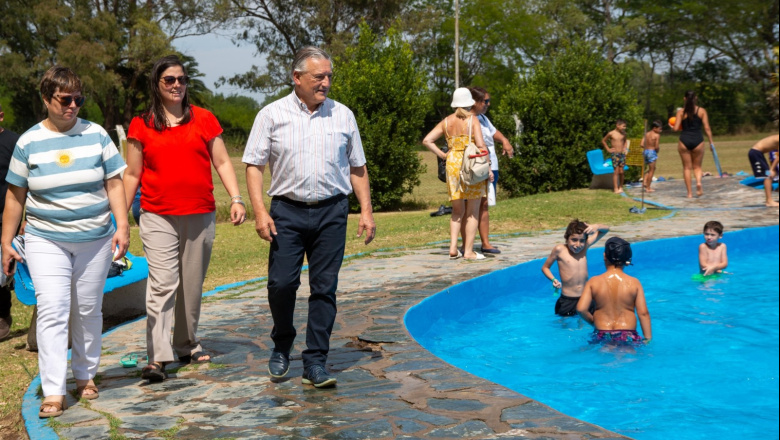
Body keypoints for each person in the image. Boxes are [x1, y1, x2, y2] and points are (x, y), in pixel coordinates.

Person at [243, 47, 376, 388]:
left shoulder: (343, 115)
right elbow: (254, 167)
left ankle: (316, 361)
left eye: (329, 76)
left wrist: (366, 211)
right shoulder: (271, 115)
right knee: (282, 284)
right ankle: (282, 344)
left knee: (325, 289)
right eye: (319, 76)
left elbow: (357, 167)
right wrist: (260, 212)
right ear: (297, 78)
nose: (326, 83)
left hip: (332, 211)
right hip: (286, 212)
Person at [1, 66, 129, 417]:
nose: (73, 106)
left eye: (78, 99)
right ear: (46, 99)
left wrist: (123, 226)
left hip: (96, 239)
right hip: (45, 240)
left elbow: (114, 183)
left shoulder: (98, 134)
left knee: (88, 310)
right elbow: (15, 196)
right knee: (54, 310)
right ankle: (54, 390)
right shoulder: (28, 142)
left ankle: (86, 375)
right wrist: (6, 240)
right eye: (64, 99)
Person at [123, 55, 246, 382]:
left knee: (191, 286)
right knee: (163, 283)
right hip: (157, 214)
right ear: (157, 84)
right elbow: (132, 174)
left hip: (201, 214)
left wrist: (236, 198)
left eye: (181, 79)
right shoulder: (141, 124)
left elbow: (221, 162)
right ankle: (158, 357)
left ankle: (186, 343)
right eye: (169, 80)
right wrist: (120, 217)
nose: (177, 85)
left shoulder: (204, 119)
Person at [422, 88, 492, 260]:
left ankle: (453, 248)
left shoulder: (446, 122)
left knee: (456, 211)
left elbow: (427, 140)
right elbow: (482, 146)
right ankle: (468, 251)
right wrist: (488, 167)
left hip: (452, 163)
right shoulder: (472, 120)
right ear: (469, 103)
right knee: (473, 211)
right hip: (471, 163)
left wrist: (443, 155)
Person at [465, 87, 515, 254]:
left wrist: (505, 141)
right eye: (485, 101)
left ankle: (485, 243)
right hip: (478, 167)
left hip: (491, 166)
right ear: (474, 102)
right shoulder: (467, 120)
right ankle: (470, 245)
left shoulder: (483, 118)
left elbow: (494, 132)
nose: (488, 104)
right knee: (472, 205)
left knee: (484, 205)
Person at [577, 237, 652, 346]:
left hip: (602, 333)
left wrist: (593, 322)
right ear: (627, 261)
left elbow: (581, 309)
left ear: (604, 256)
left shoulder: (593, 282)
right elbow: (643, 313)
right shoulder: (634, 283)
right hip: (628, 334)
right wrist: (648, 338)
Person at [541, 219, 609, 316]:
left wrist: (596, 226)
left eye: (582, 241)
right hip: (568, 300)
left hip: (585, 298)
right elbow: (545, 267)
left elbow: (606, 230)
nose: (578, 245)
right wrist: (553, 279)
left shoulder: (585, 246)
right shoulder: (559, 250)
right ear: (567, 238)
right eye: (574, 240)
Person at [0, 103, 21, 341]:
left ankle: (2, 316)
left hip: (5, 218)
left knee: (1, 271)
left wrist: (24, 219)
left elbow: (24, 185)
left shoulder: (15, 143)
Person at [671, 90, 714, 198]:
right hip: (698, 140)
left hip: (684, 140)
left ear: (684, 99)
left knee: (686, 168)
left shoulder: (681, 112)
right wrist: (711, 142)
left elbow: (676, 129)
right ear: (696, 98)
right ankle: (699, 183)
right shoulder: (702, 111)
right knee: (697, 167)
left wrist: (671, 126)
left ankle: (689, 193)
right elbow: (707, 128)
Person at [747, 134, 780, 207]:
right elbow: (778, 157)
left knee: (770, 174)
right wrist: (771, 169)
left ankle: (770, 197)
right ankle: (769, 201)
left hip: (758, 153)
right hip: (755, 153)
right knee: (768, 175)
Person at [601, 119, 628, 194]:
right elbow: (603, 141)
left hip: (622, 154)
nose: (624, 128)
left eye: (625, 126)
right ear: (617, 125)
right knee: (616, 171)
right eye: (623, 126)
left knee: (621, 171)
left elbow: (625, 141)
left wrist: (625, 149)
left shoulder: (623, 134)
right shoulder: (611, 133)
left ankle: (621, 187)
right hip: (615, 154)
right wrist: (608, 149)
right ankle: (615, 188)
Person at [641, 120, 663, 193]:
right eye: (659, 129)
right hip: (651, 152)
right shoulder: (657, 135)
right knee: (652, 170)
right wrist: (657, 150)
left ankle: (644, 181)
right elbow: (656, 146)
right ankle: (648, 187)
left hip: (645, 151)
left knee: (651, 168)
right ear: (654, 128)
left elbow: (641, 144)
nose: (661, 130)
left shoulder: (646, 134)